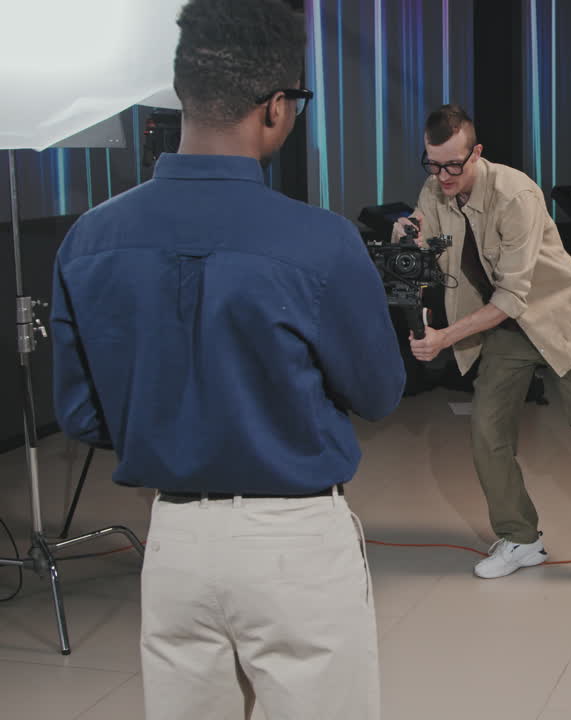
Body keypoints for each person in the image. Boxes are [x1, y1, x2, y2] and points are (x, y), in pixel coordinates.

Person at [50, 1, 404, 717]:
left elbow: (84, 412)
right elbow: (378, 391)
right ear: (275, 108)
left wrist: (178, 420)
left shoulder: (88, 239)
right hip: (296, 541)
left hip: (174, 542)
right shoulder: (322, 242)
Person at [394, 104, 571, 590]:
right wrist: (408, 230)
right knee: (487, 432)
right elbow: (424, 225)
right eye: (433, 164)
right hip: (506, 333)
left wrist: (442, 339)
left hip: (556, 320)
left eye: (454, 165)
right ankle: (521, 539)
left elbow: (512, 297)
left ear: (476, 153)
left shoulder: (515, 193)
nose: (443, 175)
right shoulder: (436, 185)